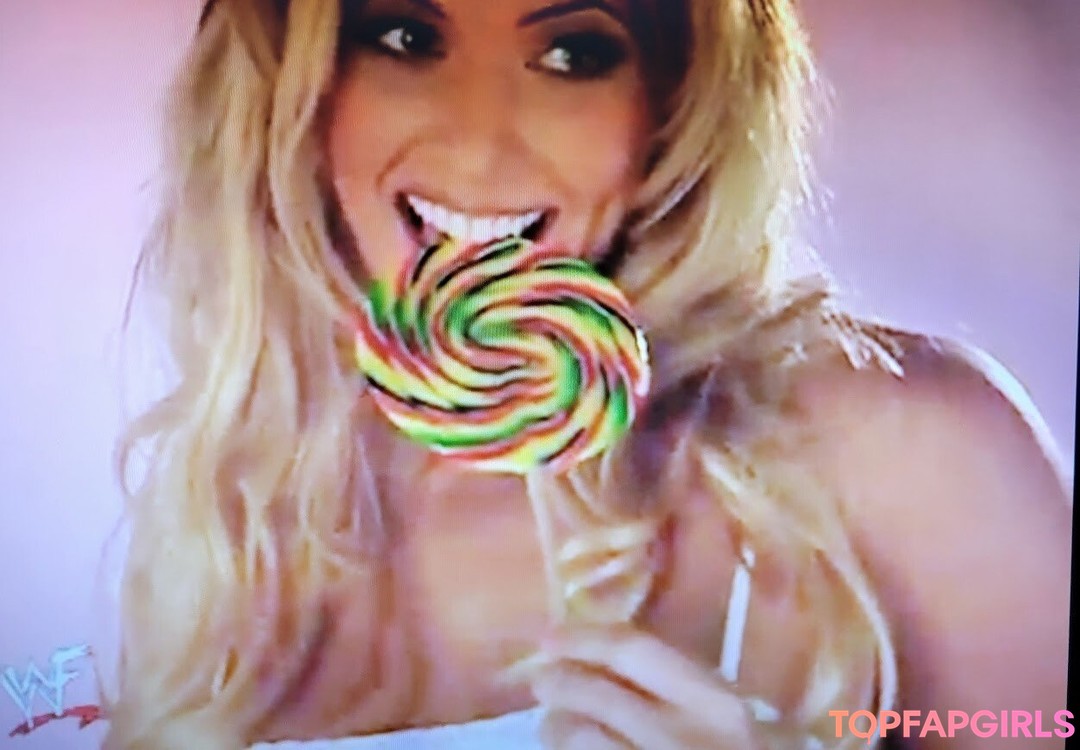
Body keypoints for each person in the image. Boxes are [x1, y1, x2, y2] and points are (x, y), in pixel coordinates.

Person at [98, 0, 1072, 748]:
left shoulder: (901, 446)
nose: (481, 141)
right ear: (295, 85)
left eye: (572, 54)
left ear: (672, 100)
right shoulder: (228, 525)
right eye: (406, 37)